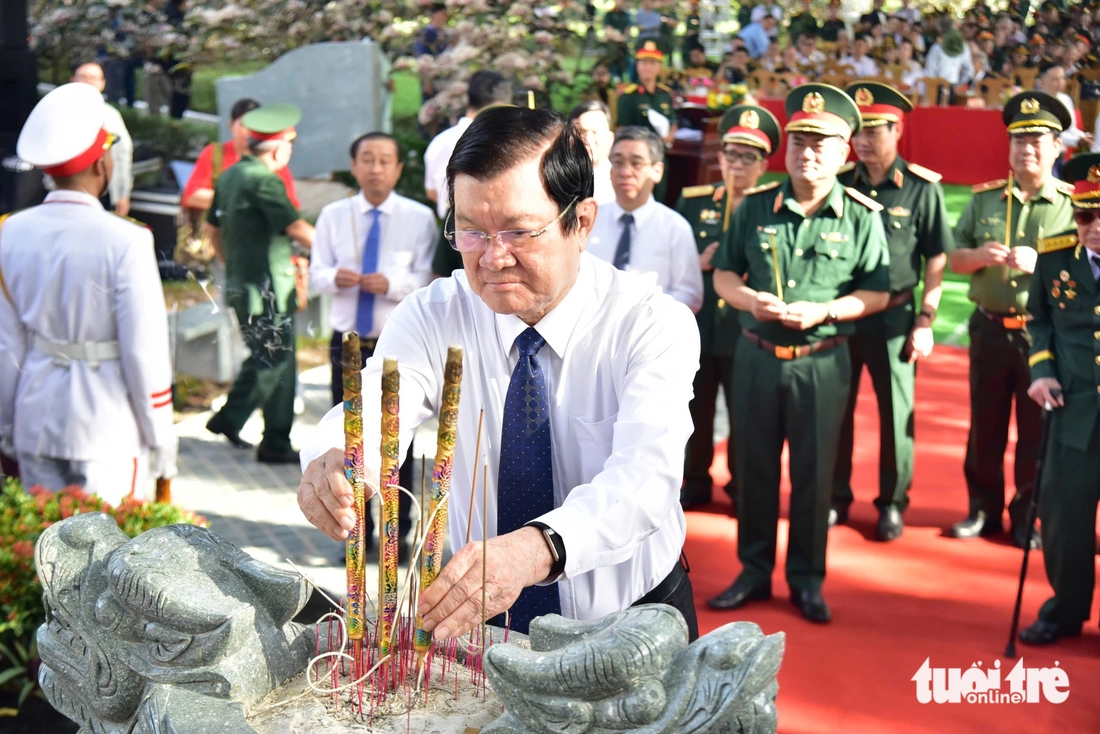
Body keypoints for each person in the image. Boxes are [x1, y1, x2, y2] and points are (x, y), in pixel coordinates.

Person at [296, 106, 701, 640]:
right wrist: (339, 458)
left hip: (632, 619)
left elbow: (645, 480)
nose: (493, 258)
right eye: (471, 233)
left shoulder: (649, 322)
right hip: (487, 618)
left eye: (519, 232)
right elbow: (378, 404)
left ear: (581, 222)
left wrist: (536, 549)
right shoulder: (434, 314)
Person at [707, 84, 890, 624]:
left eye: (820, 144)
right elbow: (724, 274)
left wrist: (826, 311)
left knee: (814, 475)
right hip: (757, 356)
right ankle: (753, 570)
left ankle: (807, 579)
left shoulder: (860, 216)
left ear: (843, 152)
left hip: (821, 361)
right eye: (799, 142)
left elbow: (877, 292)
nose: (807, 153)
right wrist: (749, 300)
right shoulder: (755, 206)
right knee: (754, 468)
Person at [0, 83, 176, 504]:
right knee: (108, 543)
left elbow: (7, 344)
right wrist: (161, 437)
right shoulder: (127, 239)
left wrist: (6, 426)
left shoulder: (10, 231)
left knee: (42, 542)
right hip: (107, 423)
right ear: (101, 164)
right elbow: (143, 352)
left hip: (35, 413)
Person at [945, 91, 1075, 550]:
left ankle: (1027, 516)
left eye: (1037, 141)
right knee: (985, 425)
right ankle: (982, 510)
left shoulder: (1073, 205)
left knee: (1037, 430)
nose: (1026, 150)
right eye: (1019, 141)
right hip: (990, 328)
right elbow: (953, 258)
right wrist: (980, 255)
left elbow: (1087, 269)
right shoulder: (984, 200)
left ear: (1057, 147)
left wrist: (1041, 265)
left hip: (1044, 335)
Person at [832, 82, 951, 540]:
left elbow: (936, 257)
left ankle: (892, 502)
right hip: (844, 315)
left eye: (874, 130)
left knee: (896, 416)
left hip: (896, 319)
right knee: (835, 413)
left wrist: (926, 319)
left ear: (897, 130)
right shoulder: (840, 182)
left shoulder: (921, 189)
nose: (863, 141)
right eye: (858, 131)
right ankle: (835, 497)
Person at [310, 132, 435, 553]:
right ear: (354, 166)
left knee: (399, 437)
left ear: (398, 169)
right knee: (348, 435)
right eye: (367, 159)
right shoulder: (333, 215)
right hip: (347, 344)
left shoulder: (418, 217)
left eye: (384, 160)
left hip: (397, 343)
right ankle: (355, 531)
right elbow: (316, 273)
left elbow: (428, 279)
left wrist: (391, 285)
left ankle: (397, 532)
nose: (375, 168)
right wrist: (335, 278)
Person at [676, 104, 781, 512]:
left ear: (764, 165)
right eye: (731, 154)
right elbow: (673, 260)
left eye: (748, 157)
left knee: (746, 412)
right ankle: (696, 479)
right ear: (718, 158)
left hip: (746, 326)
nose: (737, 164)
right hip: (700, 326)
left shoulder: (772, 208)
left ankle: (742, 483)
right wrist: (698, 261)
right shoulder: (694, 202)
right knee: (696, 408)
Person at [1017, 152, 1100, 646]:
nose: (1094, 228)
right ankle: (1066, 610)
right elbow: (1040, 319)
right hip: (1074, 411)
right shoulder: (1054, 257)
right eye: (1086, 216)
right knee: (1065, 517)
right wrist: (1042, 372)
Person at [204, 104, 316, 463]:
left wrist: (232, 265)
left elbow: (212, 229)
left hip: (245, 285)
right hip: (269, 290)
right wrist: (338, 251)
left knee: (268, 356)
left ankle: (235, 421)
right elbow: (296, 228)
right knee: (275, 362)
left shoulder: (231, 175)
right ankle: (269, 440)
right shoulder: (265, 180)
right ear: (279, 149)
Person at [586, 127, 703, 312]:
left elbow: (690, 294)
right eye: (618, 162)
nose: (625, 172)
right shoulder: (589, 221)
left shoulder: (675, 228)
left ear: (657, 171)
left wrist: (646, 317)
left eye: (636, 163)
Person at [426, 72, 514, 279]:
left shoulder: (441, 140)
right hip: (491, 232)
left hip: (455, 230)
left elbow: (431, 192)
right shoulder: (511, 137)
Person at [181, 98, 300, 212]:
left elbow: (292, 206)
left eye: (255, 126)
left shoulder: (272, 160)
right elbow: (192, 195)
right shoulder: (214, 153)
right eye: (244, 124)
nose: (250, 131)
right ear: (231, 125)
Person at [71, 62, 133, 216]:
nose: (88, 81)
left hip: (101, 192)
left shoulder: (111, 115)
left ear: (102, 83)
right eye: (83, 77)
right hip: (65, 190)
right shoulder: (60, 111)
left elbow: (122, 155)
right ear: (73, 79)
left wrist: (122, 194)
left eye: (93, 78)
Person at [568, 101, 616, 206]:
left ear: (610, 138)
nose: (588, 140)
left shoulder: (621, 183)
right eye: (581, 132)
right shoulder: (558, 181)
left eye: (595, 132)